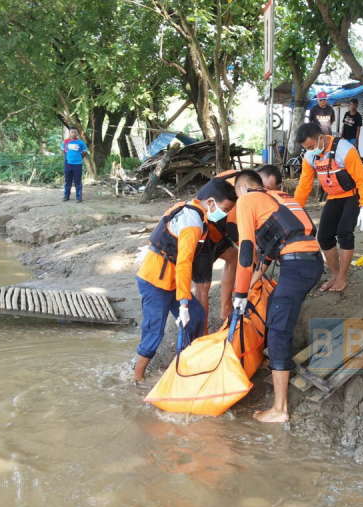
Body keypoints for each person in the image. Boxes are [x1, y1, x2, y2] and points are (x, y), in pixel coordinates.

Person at [231, 169, 323, 422]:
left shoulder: (246, 200)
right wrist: (252, 283)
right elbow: (274, 247)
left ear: (241, 189)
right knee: (279, 311)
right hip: (311, 262)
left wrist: (239, 292)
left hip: (297, 266)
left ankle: (280, 409)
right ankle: (274, 364)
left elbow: (247, 249)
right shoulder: (279, 197)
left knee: (278, 328)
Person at [132, 178, 237, 381]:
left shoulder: (194, 211)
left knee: (196, 316)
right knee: (154, 330)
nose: (224, 214)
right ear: (211, 202)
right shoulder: (192, 223)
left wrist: (186, 305)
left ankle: (188, 360)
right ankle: (137, 377)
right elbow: (184, 263)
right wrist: (183, 303)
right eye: (224, 209)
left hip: (170, 281)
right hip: (155, 281)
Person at [294, 122, 363, 292]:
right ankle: (335, 275)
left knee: (344, 233)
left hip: (352, 195)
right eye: (306, 148)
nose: (310, 150)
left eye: (312, 146)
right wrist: (295, 209)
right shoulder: (309, 156)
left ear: (321, 137)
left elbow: (362, 179)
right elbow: (304, 185)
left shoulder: (344, 149)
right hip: (333, 197)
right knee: (323, 237)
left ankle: (343, 278)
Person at [192, 170, 240, 332]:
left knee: (233, 255)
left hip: (217, 231)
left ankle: (226, 308)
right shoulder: (230, 188)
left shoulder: (240, 186)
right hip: (203, 234)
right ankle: (202, 334)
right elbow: (237, 234)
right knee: (203, 288)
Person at [61, 127, 88, 202]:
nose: (73, 133)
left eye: (75, 132)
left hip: (78, 164)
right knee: (67, 181)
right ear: (69, 133)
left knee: (78, 181)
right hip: (68, 164)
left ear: (77, 133)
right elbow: (63, 150)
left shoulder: (81, 142)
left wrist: (79, 158)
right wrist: (67, 158)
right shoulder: (66, 142)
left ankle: (79, 197)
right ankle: (66, 196)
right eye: (72, 132)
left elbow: (85, 151)